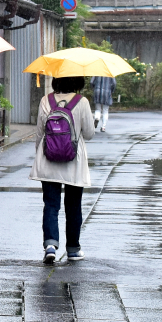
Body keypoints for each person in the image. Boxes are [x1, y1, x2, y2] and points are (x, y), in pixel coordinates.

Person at [30, 75, 97, 264]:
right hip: (73, 161)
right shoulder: (81, 102)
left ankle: (50, 245)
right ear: (78, 81)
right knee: (73, 206)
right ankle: (73, 249)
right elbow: (90, 134)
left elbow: (39, 133)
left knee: (51, 205)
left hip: (49, 160)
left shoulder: (46, 100)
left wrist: (40, 155)